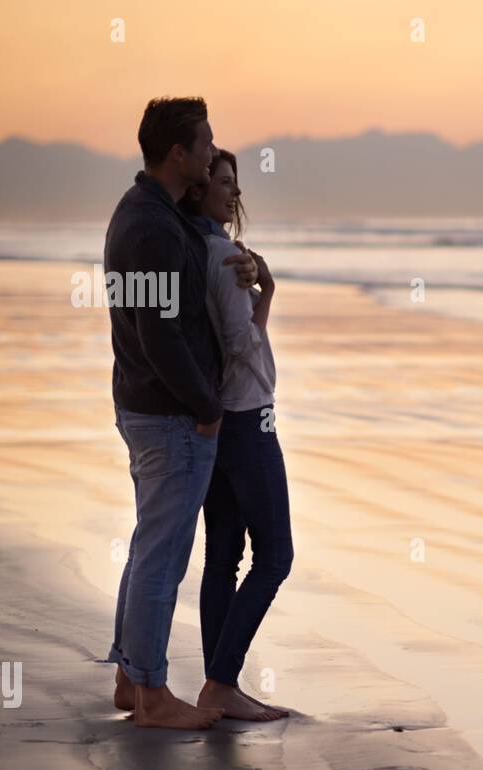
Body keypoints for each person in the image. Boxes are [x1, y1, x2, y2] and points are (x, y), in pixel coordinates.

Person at [104, 97, 257, 729]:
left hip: (143, 405)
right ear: (179, 153)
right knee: (163, 554)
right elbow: (160, 333)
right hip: (169, 414)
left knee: (149, 546)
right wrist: (206, 407)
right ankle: (152, 697)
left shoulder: (140, 213)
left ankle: (127, 677)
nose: (211, 152)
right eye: (205, 144)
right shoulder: (155, 227)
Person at [179, 150, 292, 721]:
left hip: (217, 420)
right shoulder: (224, 257)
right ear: (197, 190)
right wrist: (265, 293)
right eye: (222, 182)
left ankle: (216, 686)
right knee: (275, 556)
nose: (233, 192)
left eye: (236, 184)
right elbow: (241, 347)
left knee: (223, 555)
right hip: (249, 417)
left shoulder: (194, 251)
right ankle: (221, 683)